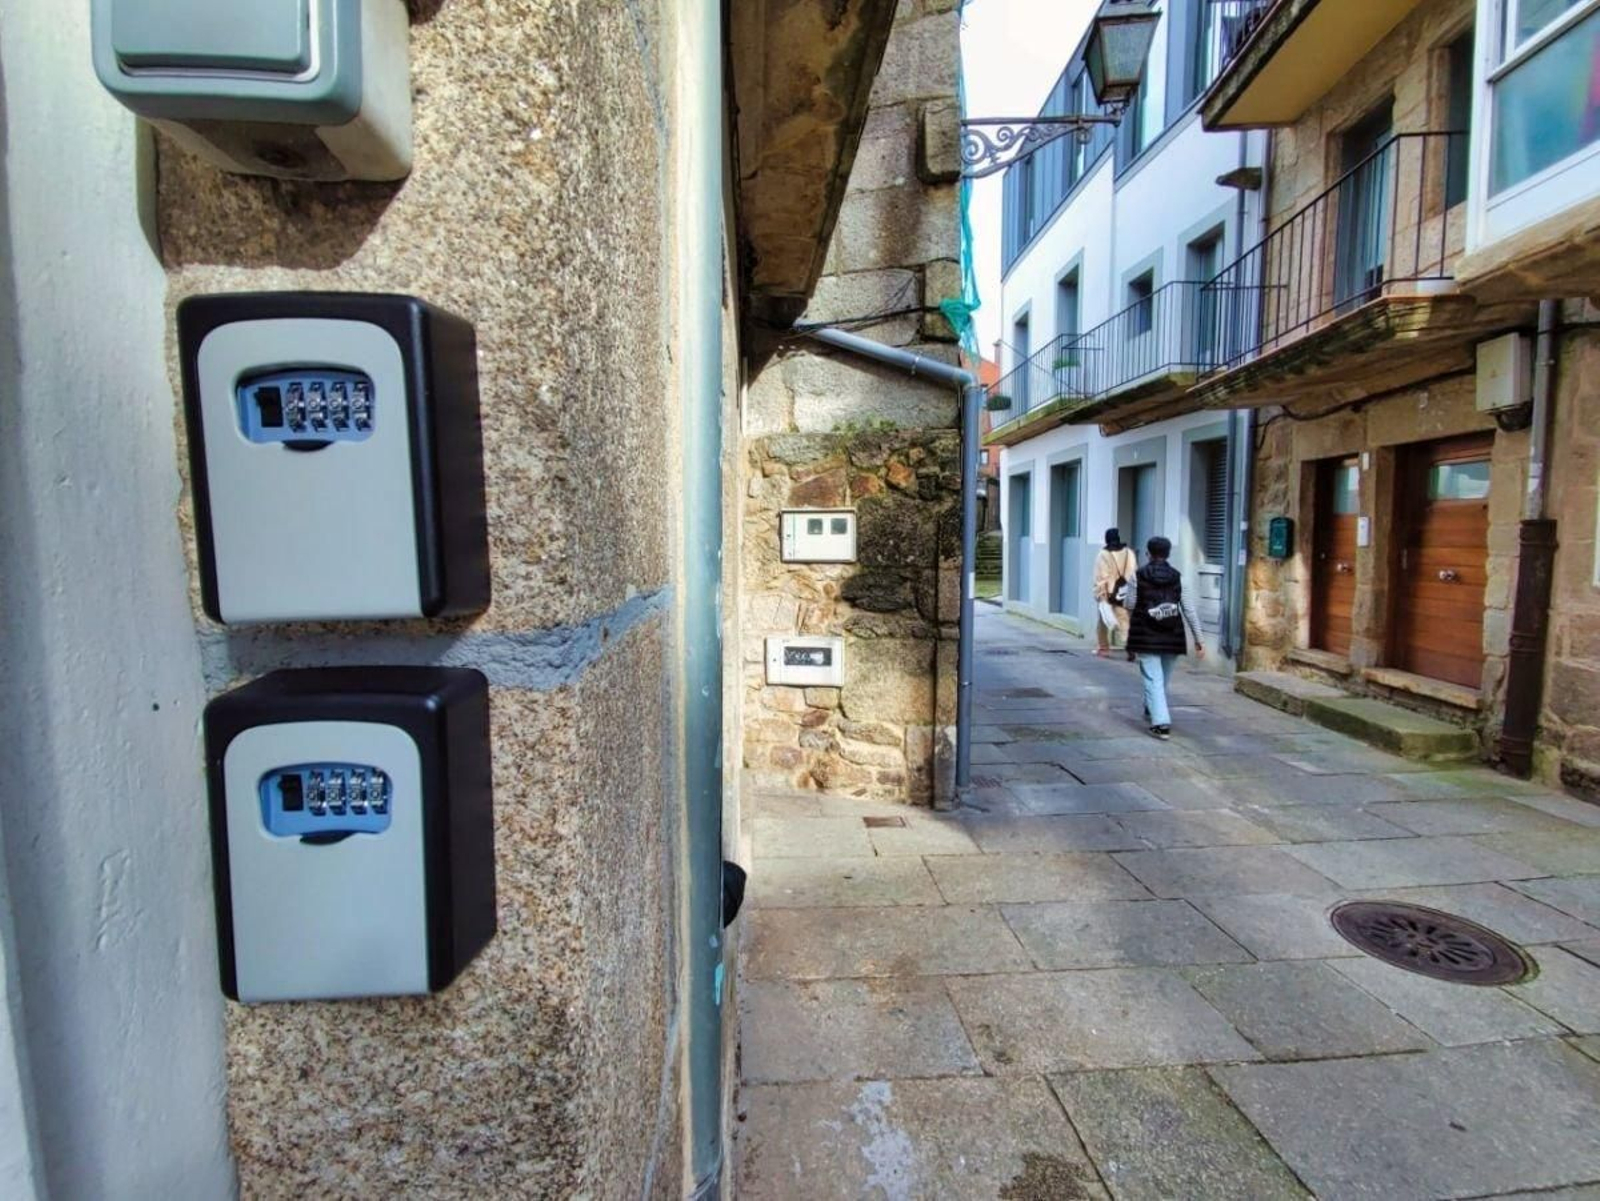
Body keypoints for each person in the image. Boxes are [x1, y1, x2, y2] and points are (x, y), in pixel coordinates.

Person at [1124, 535, 1205, 740]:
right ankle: (1151, 707)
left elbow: (1130, 604)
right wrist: (1199, 639)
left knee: (1153, 678)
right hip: (1172, 635)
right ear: (1168, 554)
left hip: (1146, 635)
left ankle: (1160, 724)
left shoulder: (1137, 577)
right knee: (1161, 679)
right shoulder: (1179, 577)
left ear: (1148, 554)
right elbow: (1189, 610)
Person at [1091, 528, 1137, 658]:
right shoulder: (1129, 553)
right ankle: (1130, 644)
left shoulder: (1103, 554)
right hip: (1126, 592)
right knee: (1124, 619)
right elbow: (1134, 572)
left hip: (1109, 593)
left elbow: (1101, 576)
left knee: (1103, 620)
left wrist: (1100, 594)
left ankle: (1103, 648)